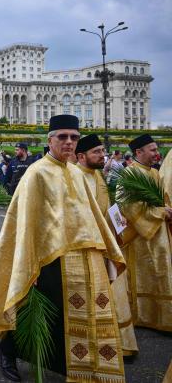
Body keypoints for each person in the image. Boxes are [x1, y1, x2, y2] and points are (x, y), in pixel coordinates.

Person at [0, 115, 126, 382]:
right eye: (62, 136)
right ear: (50, 140)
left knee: (74, 314)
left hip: (84, 257)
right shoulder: (36, 172)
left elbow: (91, 216)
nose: (68, 142)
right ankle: (6, 351)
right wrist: (30, 264)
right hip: (50, 259)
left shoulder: (76, 172)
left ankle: (76, 364)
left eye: (74, 137)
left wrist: (106, 249)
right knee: (35, 309)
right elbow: (26, 223)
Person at [75, 134, 138, 357]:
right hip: (92, 247)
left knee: (116, 294)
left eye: (103, 151)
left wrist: (121, 228)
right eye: (97, 152)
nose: (103, 155)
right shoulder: (76, 178)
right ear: (81, 156)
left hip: (108, 245)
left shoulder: (98, 176)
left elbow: (109, 208)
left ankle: (123, 344)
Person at [118, 134, 172, 333]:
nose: (157, 154)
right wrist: (161, 212)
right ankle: (143, 316)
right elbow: (129, 206)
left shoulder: (154, 173)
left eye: (157, 150)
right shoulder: (129, 174)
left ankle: (163, 317)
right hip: (141, 236)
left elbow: (163, 198)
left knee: (162, 271)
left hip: (160, 233)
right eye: (153, 150)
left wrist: (167, 208)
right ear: (139, 152)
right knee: (145, 274)